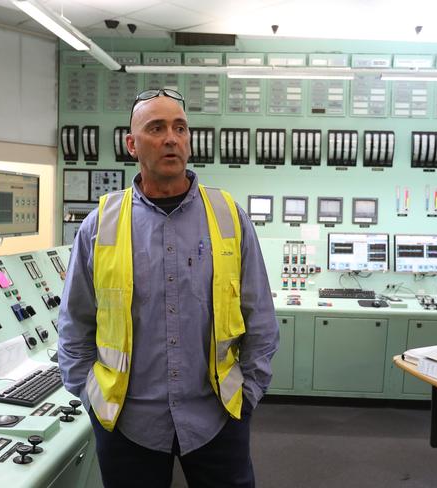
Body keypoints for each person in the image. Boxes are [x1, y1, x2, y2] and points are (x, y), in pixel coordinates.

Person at [58, 88, 279, 488]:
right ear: (132, 144)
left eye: (180, 128)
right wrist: (91, 398)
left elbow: (260, 317)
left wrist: (249, 394)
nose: (171, 138)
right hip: (128, 422)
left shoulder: (229, 216)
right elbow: (75, 324)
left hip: (218, 416)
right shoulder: (100, 225)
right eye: (156, 128)